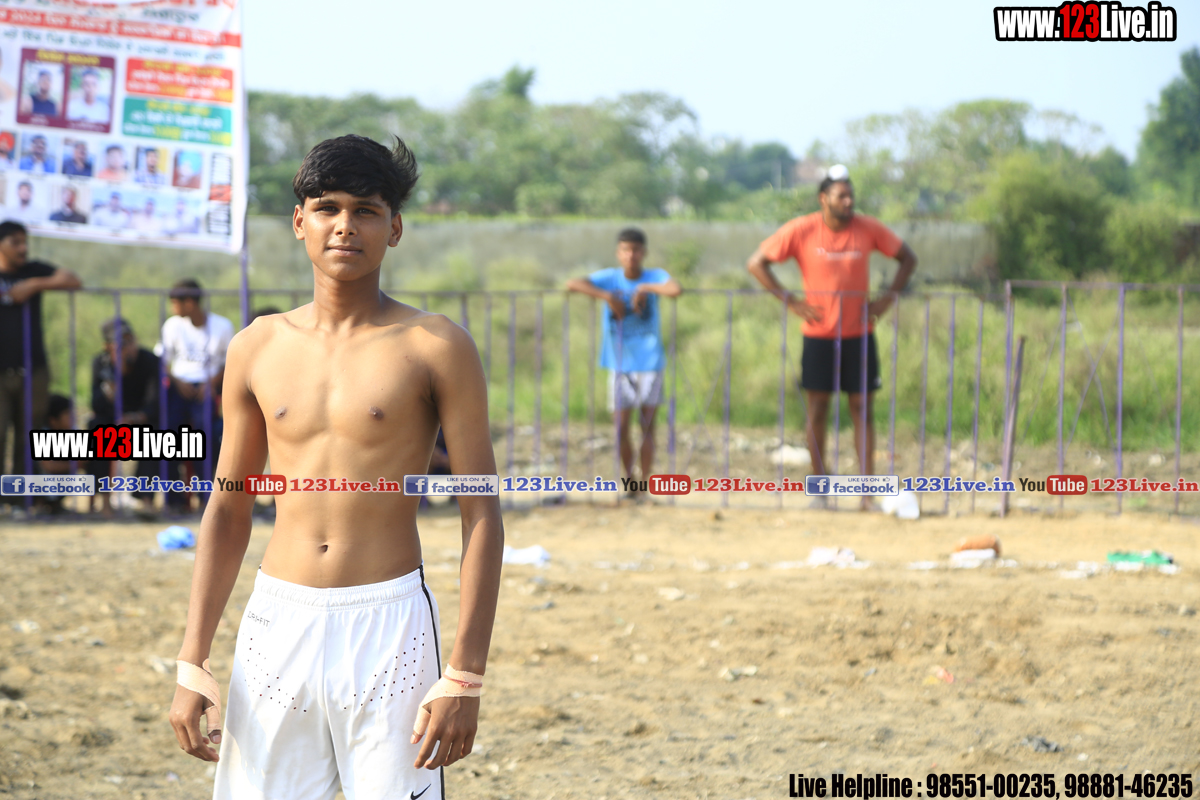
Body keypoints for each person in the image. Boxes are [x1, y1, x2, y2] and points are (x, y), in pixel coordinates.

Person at [168, 135, 504, 800]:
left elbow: (482, 513)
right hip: (277, 622)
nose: (345, 225)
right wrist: (192, 658)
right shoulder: (257, 346)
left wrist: (466, 673)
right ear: (300, 221)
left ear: (394, 227)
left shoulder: (436, 345)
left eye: (366, 210)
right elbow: (228, 507)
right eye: (327, 208)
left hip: (389, 623)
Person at [746, 164, 917, 509]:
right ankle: (820, 489)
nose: (849, 201)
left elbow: (907, 259)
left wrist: (885, 301)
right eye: (841, 196)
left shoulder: (868, 228)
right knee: (818, 409)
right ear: (823, 199)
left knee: (862, 410)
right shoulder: (802, 229)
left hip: (859, 334)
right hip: (819, 335)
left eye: (851, 195)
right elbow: (756, 263)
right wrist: (791, 301)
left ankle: (866, 492)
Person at [565, 227, 681, 493]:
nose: (631, 255)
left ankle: (644, 484)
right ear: (619, 253)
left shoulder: (654, 276)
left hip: (650, 364)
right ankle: (630, 481)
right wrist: (606, 296)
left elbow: (674, 289)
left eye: (636, 250)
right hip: (619, 364)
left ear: (644, 252)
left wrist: (645, 288)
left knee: (648, 428)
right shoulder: (609, 278)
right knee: (621, 429)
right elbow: (573, 283)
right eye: (626, 250)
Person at [0, 221, 82, 481]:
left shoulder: (33, 270)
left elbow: (72, 280)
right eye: (15, 242)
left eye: (25, 242)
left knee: (29, 436)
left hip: (32, 370)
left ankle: (20, 497)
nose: (23, 248)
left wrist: (33, 285)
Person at [160, 278, 232, 510]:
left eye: (175, 302)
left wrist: (211, 383)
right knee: (169, 439)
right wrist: (177, 381)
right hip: (179, 387)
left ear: (190, 303)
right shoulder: (172, 326)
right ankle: (174, 501)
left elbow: (230, 362)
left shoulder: (221, 326)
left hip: (207, 389)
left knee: (205, 438)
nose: (172, 308)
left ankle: (205, 499)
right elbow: (163, 361)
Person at [88, 318, 162, 516]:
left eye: (130, 341)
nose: (128, 348)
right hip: (111, 420)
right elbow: (95, 405)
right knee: (98, 429)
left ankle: (146, 500)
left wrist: (135, 417)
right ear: (108, 346)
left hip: (140, 419)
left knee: (155, 434)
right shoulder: (101, 364)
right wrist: (111, 388)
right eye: (121, 343)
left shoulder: (150, 361)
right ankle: (104, 501)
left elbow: (155, 402)